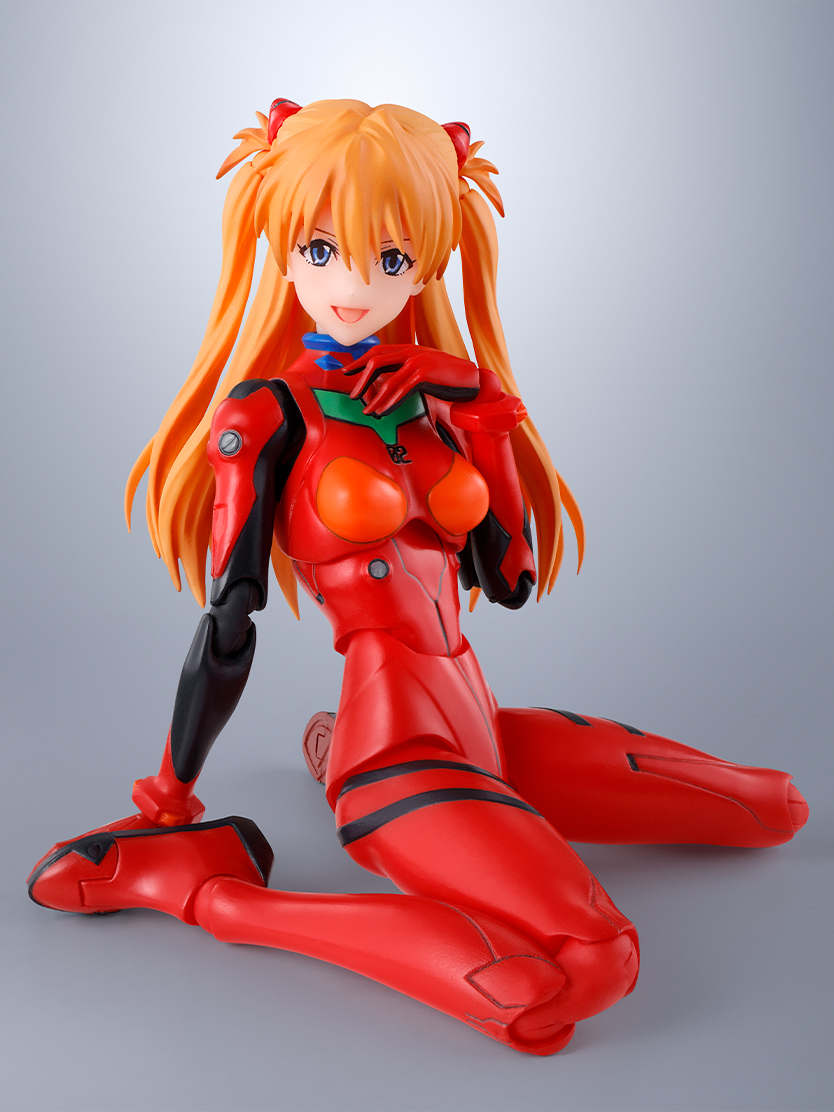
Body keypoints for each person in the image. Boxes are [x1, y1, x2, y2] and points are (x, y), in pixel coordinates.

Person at [27, 99, 808, 1056]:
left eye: (390, 257)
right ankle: (212, 894)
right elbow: (230, 620)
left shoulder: (430, 399)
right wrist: (169, 797)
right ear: (278, 249)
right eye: (322, 250)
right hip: (396, 745)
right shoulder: (268, 416)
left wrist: (478, 399)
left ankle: (348, 773)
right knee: (589, 964)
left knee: (774, 808)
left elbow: (510, 578)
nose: (354, 284)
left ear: (429, 265)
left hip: (482, 728)